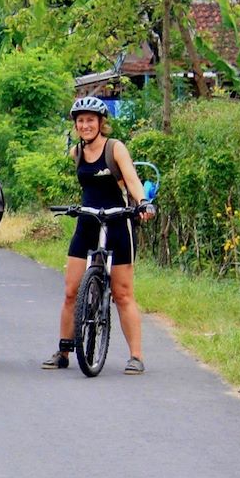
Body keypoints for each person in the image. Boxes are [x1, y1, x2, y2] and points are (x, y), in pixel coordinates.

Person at [42, 96, 156, 374]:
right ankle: (64, 350)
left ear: (101, 123)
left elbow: (131, 178)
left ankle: (136, 356)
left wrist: (142, 202)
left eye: (90, 120)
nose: (85, 125)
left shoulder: (115, 148)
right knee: (71, 291)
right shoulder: (76, 153)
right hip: (88, 220)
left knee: (123, 293)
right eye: (80, 121)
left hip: (118, 220)